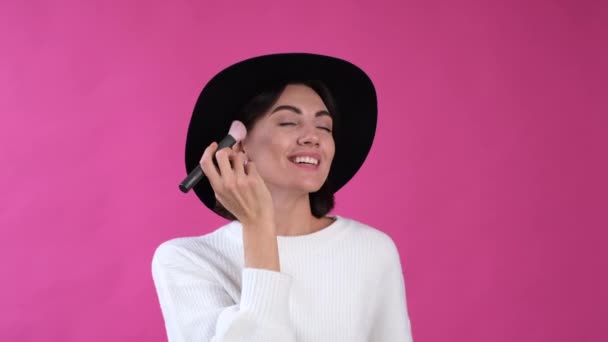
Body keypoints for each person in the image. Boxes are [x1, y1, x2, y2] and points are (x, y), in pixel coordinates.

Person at [151, 53, 414, 342]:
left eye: (325, 127)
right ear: (238, 146)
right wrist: (258, 228)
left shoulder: (372, 251)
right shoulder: (188, 261)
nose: (312, 137)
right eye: (289, 122)